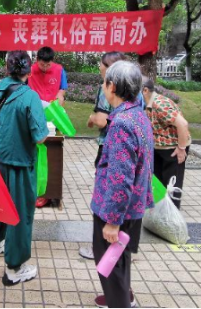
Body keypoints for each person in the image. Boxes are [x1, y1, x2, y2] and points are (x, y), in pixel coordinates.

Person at [0, 51, 49, 286]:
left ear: (7, 68)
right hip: (20, 163)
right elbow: (40, 136)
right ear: (29, 71)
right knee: (19, 215)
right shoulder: (30, 97)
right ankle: (14, 268)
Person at [91, 60, 154, 308]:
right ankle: (121, 299)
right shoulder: (138, 115)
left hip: (116, 211)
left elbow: (121, 178)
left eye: (104, 82)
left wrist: (113, 221)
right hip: (133, 206)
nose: (103, 86)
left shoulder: (121, 124)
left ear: (112, 87)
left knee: (111, 268)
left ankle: (119, 302)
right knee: (120, 260)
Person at [80, 52, 130, 260]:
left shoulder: (107, 87)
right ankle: (123, 246)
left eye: (101, 64)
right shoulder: (133, 89)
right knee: (123, 194)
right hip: (128, 147)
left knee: (105, 196)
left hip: (110, 147)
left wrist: (93, 118)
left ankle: (100, 248)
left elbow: (101, 121)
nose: (99, 68)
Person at [28, 46, 67, 208]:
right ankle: (33, 187)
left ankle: (48, 190)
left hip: (51, 116)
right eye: (42, 64)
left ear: (52, 61)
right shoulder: (29, 70)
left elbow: (62, 91)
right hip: (33, 115)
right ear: (37, 60)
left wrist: (59, 100)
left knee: (52, 150)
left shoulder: (59, 70)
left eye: (48, 65)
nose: (45, 67)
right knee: (33, 151)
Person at [142, 77, 191, 208]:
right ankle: (159, 212)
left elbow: (183, 124)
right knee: (158, 184)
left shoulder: (160, 104)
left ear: (145, 90)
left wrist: (181, 148)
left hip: (173, 149)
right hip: (158, 148)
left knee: (172, 184)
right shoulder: (147, 104)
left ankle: (171, 214)